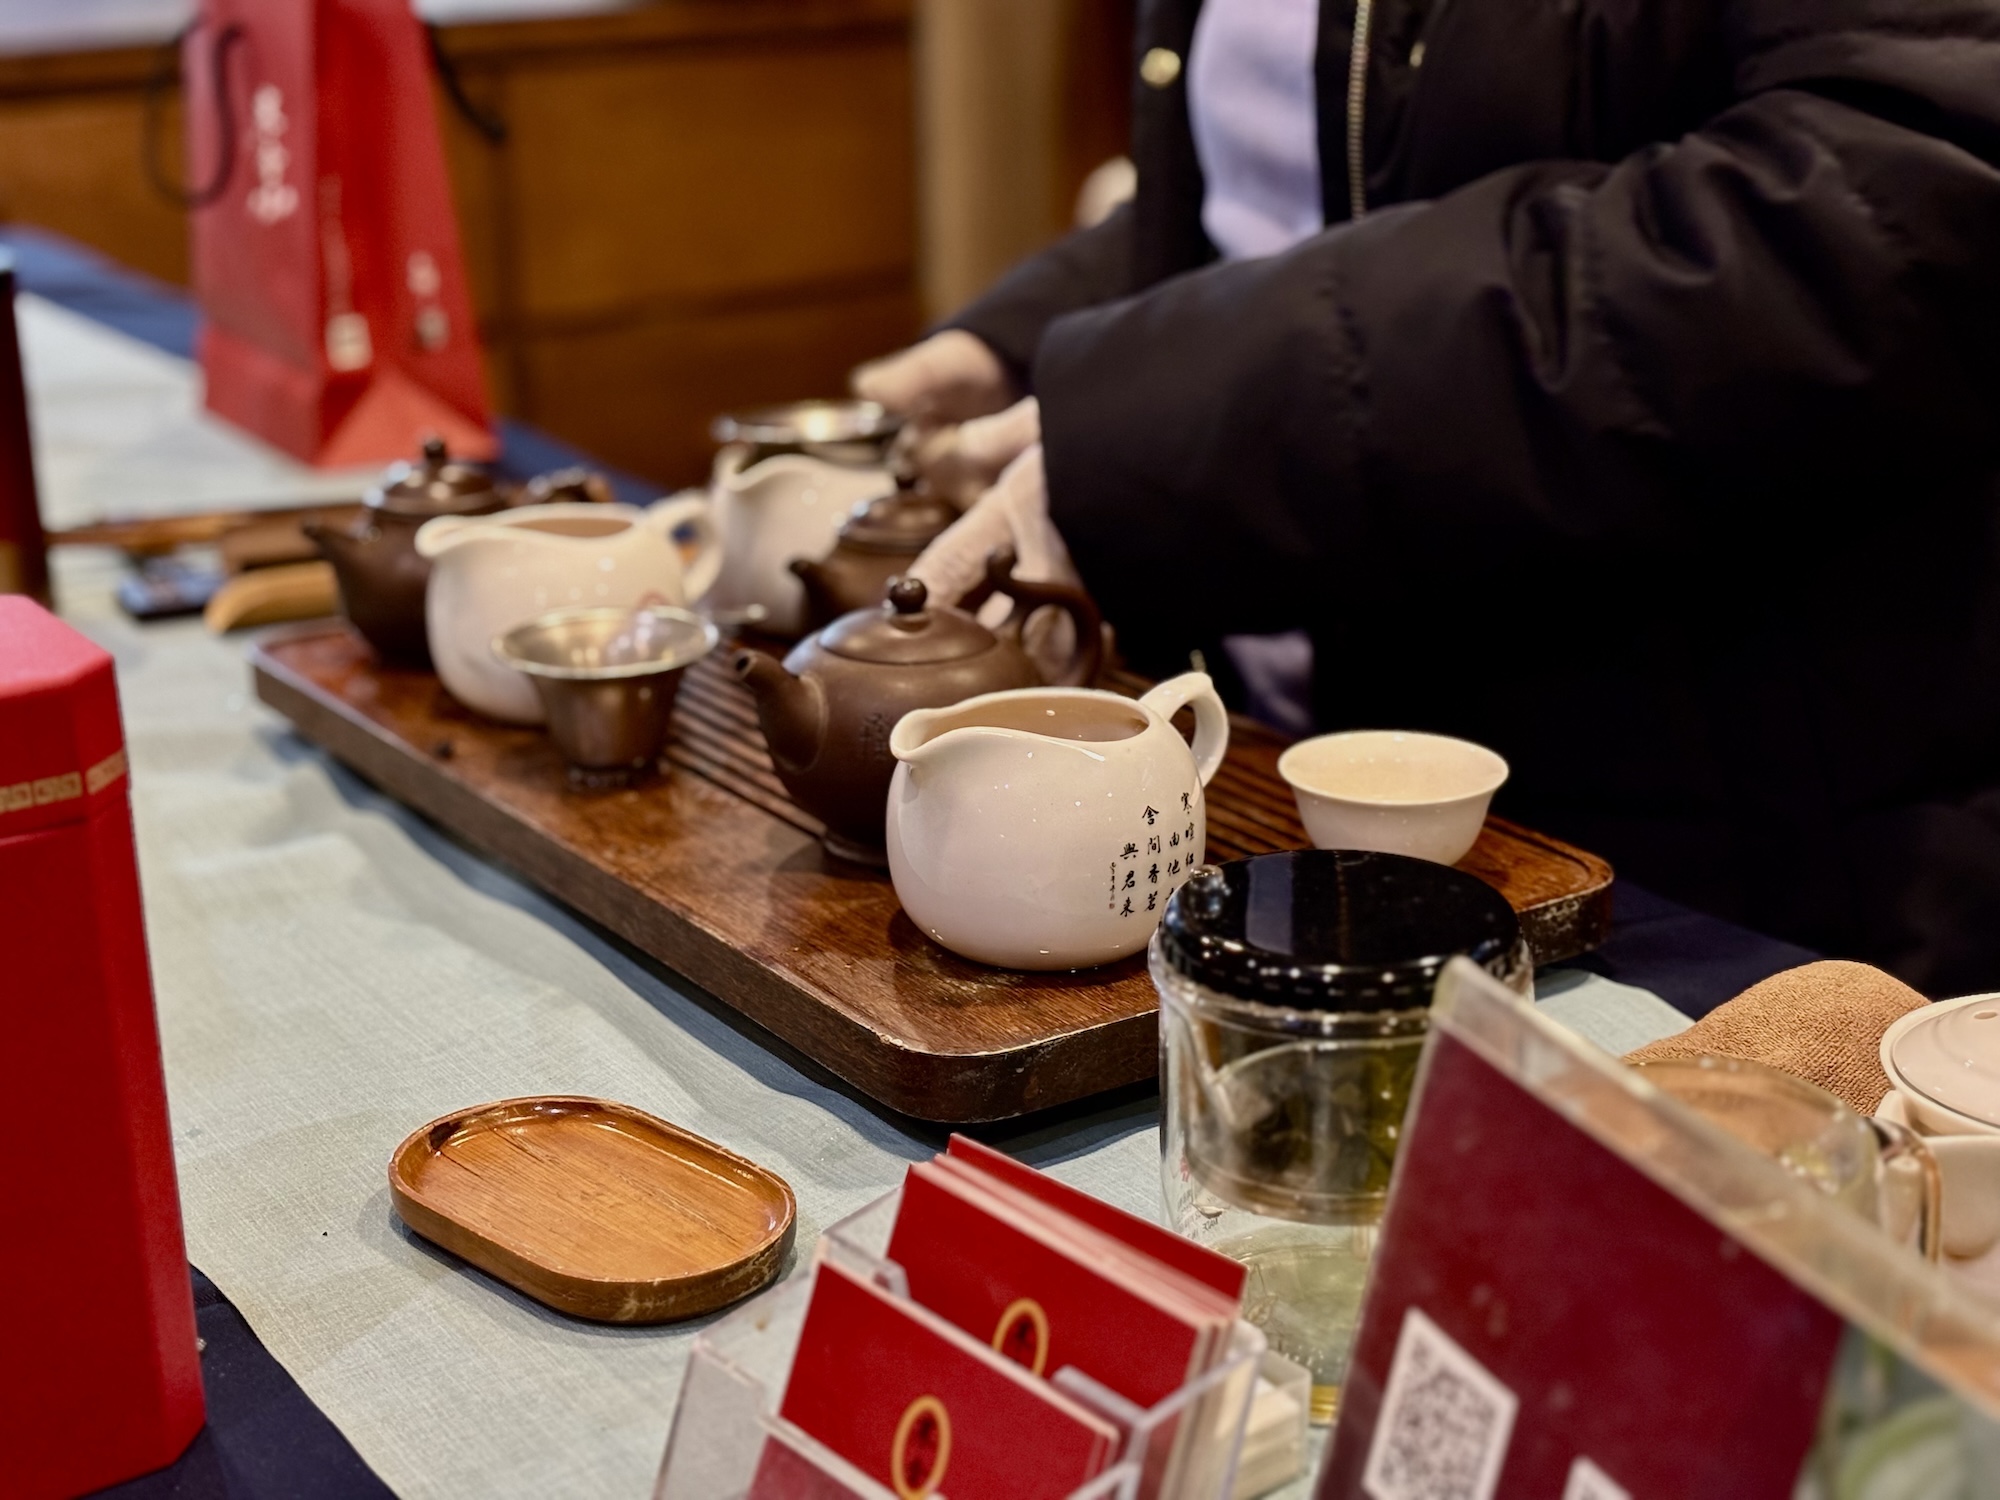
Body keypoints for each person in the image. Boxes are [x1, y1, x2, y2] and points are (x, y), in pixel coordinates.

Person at [852, 0, 2000, 993]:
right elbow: (1299, 181)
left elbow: (1877, 203)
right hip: (1278, 795)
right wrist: (1028, 345)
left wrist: (1144, 422)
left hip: (1725, 867)